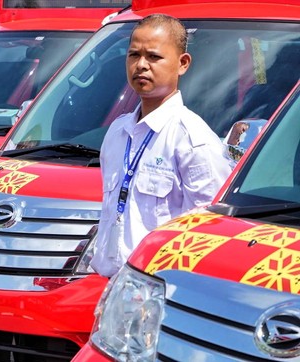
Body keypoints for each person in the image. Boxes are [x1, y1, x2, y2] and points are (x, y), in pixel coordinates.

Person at [90, 14, 232, 278]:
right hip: (107, 283)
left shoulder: (192, 139)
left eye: (153, 57)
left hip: (157, 288)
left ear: (183, 63)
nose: (141, 65)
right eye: (133, 55)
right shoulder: (117, 131)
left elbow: (211, 231)